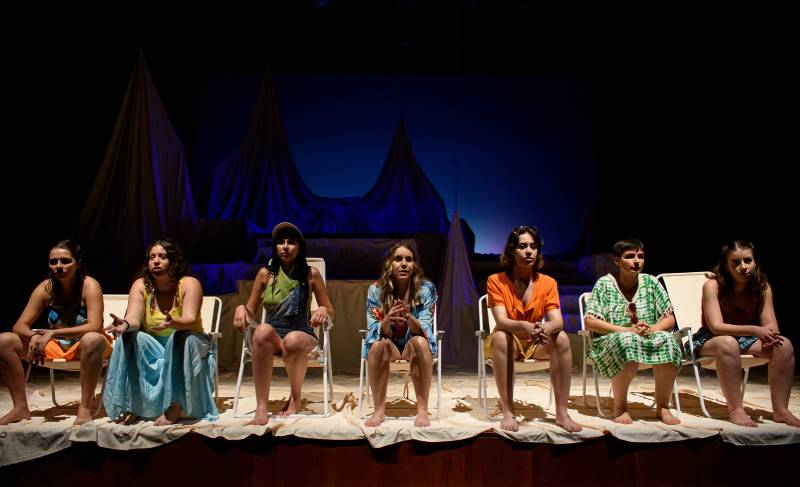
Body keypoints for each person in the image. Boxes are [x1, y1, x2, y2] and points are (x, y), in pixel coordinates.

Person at [103, 238, 217, 425]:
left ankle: (175, 406)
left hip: (191, 342)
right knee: (129, 337)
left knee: (179, 338)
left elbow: (189, 319)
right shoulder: (141, 285)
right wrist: (124, 325)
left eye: (162, 257)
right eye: (152, 257)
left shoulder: (189, 283)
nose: (156, 261)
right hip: (157, 345)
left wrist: (174, 322)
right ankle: (132, 404)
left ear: (174, 261)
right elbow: (133, 318)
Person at [233, 222, 334, 425]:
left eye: (291, 242)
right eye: (281, 242)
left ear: (300, 247)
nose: (285, 247)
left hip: (302, 334)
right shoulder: (265, 274)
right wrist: (241, 308)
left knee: (292, 339)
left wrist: (323, 309)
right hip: (275, 337)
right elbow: (251, 309)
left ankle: (295, 397)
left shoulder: (311, 274)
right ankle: (262, 406)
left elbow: (330, 310)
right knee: (262, 330)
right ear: (275, 247)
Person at [0, 240, 110, 425]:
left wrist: (52, 334)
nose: (59, 266)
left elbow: (95, 325)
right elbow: (19, 325)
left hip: (86, 346)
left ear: (78, 263)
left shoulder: (89, 285)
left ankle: (85, 408)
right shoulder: (46, 287)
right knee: (4, 341)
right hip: (57, 346)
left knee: (92, 339)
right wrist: (34, 335)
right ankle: (20, 408)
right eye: (53, 261)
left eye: (65, 261)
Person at [484, 226, 581, 432]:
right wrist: (523, 325)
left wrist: (545, 327)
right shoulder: (496, 280)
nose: (529, 251)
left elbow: (557, 321)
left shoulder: (548, 282)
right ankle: (508, 411)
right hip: (509, 340)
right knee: (500, 336)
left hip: (536, 341)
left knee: (562, 337)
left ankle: (562, 413)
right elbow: (501, 321)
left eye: (533, 246)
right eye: (522, 246)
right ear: (512, 251)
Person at [695, 240, 799, 427]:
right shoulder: (712, 286)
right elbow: (717, 327)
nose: (743, 267)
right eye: (736, 262)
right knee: (728, 342)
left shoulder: (762, 286)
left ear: (755, 261)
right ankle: (736, 409)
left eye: (748, 260)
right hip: (711, 339)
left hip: (743, 339)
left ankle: (781, 410)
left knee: (784, 346)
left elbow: (771, 325)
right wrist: (755, 330)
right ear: (726, 266)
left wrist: (770, 334)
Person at [583, 239, 682, 424]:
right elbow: (590, 321)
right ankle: (620, 406)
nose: (636, 261)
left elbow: (669, 319)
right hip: (610, 340)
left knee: (668, 340)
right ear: (617, 261)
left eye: (640, 256)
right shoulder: (605, 284)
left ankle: (663, 406)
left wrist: (653, 328)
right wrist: (626, 330)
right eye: (630, 256)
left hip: (647, 338)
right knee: (627, 340)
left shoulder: (651, 282)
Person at [363, 242, 437, 427]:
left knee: (420, 342)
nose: (404, 264)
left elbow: (426, 327)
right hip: (391, 345)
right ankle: (379, 411)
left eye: (408, 259)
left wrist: (411, 319)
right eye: (398, 259)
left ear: (414, 265)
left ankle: (422, 410)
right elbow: (372, 329)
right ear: (390, 263)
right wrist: (385, 322)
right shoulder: (376, 290)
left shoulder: (426, 289)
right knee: (377, 345)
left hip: (413, 344)